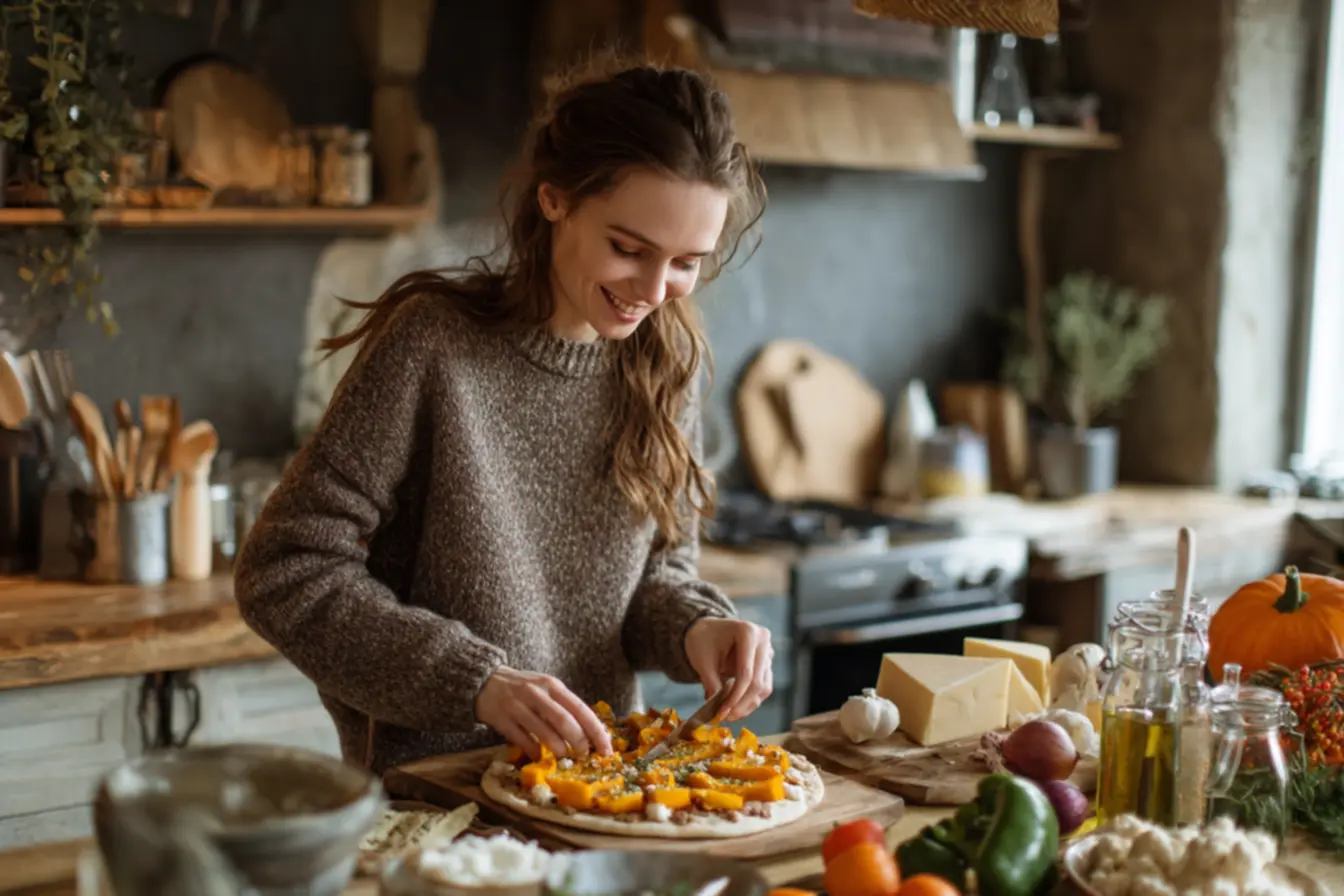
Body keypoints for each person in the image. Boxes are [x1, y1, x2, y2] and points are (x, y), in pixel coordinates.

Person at [233, 58, 773, 775]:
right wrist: (474, 682)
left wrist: (697, 626)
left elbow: (658, 574)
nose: (653, 291)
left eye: (686, 262)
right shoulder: (433, 346)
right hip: (436, 806)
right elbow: (284, 571)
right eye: (628, 249)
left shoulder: (669, 362)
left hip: (604, 795)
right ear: (555, 199)